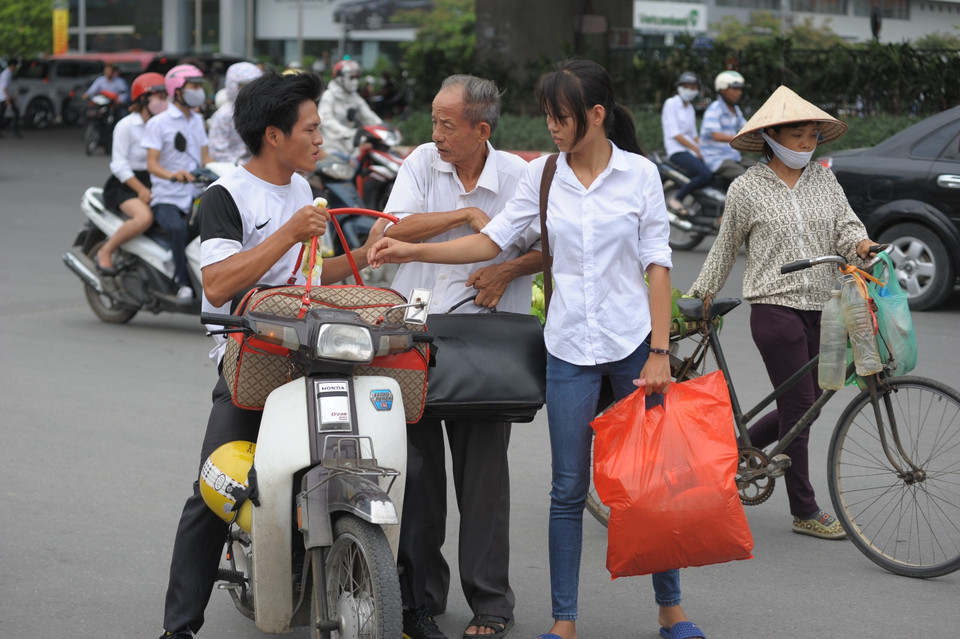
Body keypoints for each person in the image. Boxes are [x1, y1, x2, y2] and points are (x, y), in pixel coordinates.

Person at [369, 59, 705, 639]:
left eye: (560, 116)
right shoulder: (543, 176)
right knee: (567, 490)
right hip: (568, 348)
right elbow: (490, 240)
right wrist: (400, 251)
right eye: (549, 115)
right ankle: (564, 620)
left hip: (631, 345)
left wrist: (659, 350)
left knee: (649, 482)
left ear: (595, 116)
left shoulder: (640, 175)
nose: (550, 126)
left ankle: (670, 608)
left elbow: (657, 265)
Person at [157, 69, 387, 639]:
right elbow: (217, 283)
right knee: (217, 488)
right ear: (273, 135)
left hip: (312, 355)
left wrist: (368, 256)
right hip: (251, 361)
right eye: (310, 129)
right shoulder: (225, 195)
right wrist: (286, 233)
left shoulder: (304, 191)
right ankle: (178, 626)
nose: (319, 140)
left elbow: (307, 278)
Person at [383, 74, 541, 639]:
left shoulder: (520, 176)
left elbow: (549, 246)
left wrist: (506, 266)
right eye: (434, 120)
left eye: (448, 124)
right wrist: (464, 215)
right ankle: (419, 599)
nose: (437, 134)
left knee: (484, 483)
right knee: (418, 476)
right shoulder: (423, 162)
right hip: (415, 336)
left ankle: (492, 605)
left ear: (482, 128)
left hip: (486, 344)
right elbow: (393, 230)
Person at [687, 85, 881, 541]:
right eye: (798, 134)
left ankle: (735, 452)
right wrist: (700, 296)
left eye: (814, 134)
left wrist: (863, 245)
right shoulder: (746, 188)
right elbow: (724, 248)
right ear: (772, 136)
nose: (807, 142)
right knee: (800, 408)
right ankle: (805, 509)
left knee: (806, 405)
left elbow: (847, 227)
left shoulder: (824, 180)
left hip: (824, 306)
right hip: (774, 307)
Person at [142, 64, 213, 304]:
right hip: (167, 196)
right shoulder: (159, 123)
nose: (199, 91)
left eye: (200, 87)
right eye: (194, 86)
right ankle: (182, 284)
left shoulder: (198, 120)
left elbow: (206, 158)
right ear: (178, 90)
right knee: (179, 230)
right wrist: (173, 174)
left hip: (194, 195)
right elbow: (151, 164)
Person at [95, 72, 168, 273]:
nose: (165, 103)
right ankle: (106, 250)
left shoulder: (164, 125)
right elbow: (118, 165)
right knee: (144, 218)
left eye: (166, 97)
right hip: (127, 185)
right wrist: (142, 189)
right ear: (143, 99)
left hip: (157, 181)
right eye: (160, 98)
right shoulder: (126, 126)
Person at [661, 71, 711, 216]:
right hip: (677, 151)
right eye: (686, 86)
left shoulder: (689, 108)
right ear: (680, 87)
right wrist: (697, 150)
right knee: (705, 174)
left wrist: (706, 148)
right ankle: (677, 198)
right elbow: (676, 134)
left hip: (689, 150)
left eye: (693, 87)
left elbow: (693, 134)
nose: (689, 90)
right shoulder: (671, 104)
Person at [318, 58, 383, 158]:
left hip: (349, 145)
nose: (355, 81)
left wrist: (382, 128)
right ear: (340, 78)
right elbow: (327, 121)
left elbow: (368, 116)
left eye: (357, 77)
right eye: (351, 77)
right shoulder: (329, 96)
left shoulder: (354, 97)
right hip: (330, 146)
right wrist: (350, 133)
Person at [699, 71, 754, 183]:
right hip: (716, 159)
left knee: (764, 171)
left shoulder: (736, 110)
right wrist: (740, 139)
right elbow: (716, 136)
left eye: (740, 89)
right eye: (735, 89)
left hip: (733, 156)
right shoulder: (714, 109)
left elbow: (748, 128)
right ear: (722, 90)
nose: (739, 92)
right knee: (747, 180)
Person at [206, 61, 263, 164]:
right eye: (244, 85)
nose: (250, 90)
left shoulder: (264, 111)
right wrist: (243, 167)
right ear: (232, 85)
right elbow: (218, 151)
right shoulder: (224, 115)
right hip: (233, 170)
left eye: (254, 85)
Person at [0, 58, 22, 138]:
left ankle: (14, 131)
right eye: (15, 66)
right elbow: (4, 87)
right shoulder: (7, 73)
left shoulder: (7, 73)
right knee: (14, 112)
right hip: (4, 97)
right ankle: (15, 132)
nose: (15, 68)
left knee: (3, 115)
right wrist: (7, 99)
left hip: (5, 97)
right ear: (12, 66)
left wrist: (12, 97)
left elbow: (8, 87)